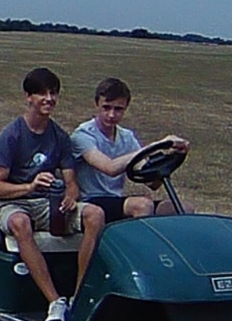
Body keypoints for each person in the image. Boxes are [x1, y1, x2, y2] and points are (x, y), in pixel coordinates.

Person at [0, 67, 103, 321]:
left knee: (95, 215)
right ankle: (54, 301)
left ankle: (78, 296)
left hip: (47, 203)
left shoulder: (60, 137)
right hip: (13, 202)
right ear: (28, 97)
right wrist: (30, 185)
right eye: (42, 94)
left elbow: (72, 182)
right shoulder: (12, 135)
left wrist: (70, 197)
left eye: (53, 93)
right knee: (20, 224)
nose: (49, 99)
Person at [72, 77, 188, 220]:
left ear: (126, 107)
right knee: (142, 205)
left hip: (115, 200)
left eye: (118, 109)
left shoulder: (126, 136)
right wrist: (157, 145)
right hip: (90, 202)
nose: (111, 115)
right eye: (106, 107)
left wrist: (173, 157)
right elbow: (110, 168)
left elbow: (152, 183)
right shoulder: (83, 135)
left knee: (182, 208)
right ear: (97, 104)